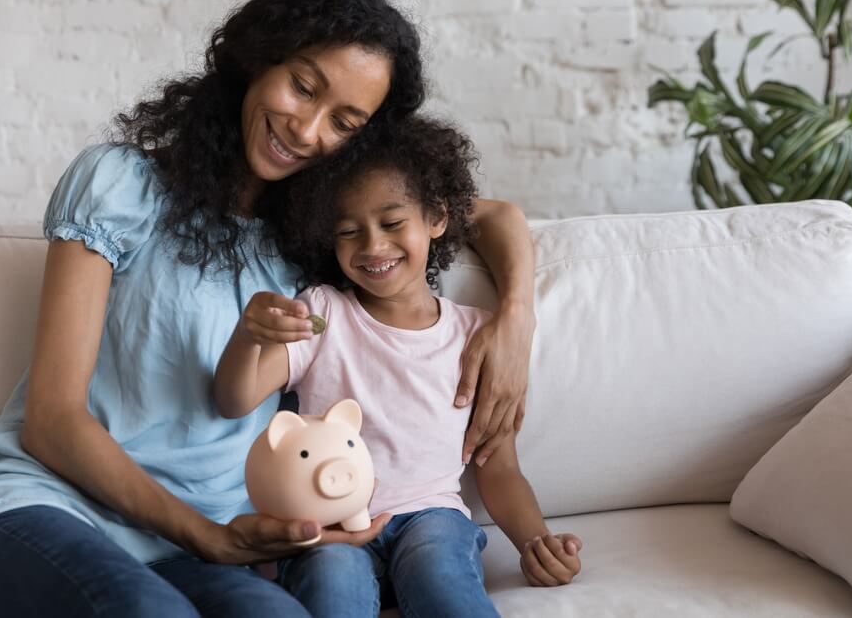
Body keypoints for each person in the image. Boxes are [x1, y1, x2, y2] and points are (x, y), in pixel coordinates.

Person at [0, 0, 539, 618]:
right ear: (257, 57)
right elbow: (51, 420)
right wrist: (205, 532)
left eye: (344, 122)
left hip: (191, 552)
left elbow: (491, 216)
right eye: (303, 86)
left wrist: (516, 315)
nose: (307, 130)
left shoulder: (320, 241)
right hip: (33, 507)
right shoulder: (118, 184)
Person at [216, 116, 582, 617]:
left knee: (443, 580)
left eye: (392, 224)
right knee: (331, 585)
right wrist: (246, 337)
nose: (372, 246)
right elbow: (234, 399)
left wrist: (534, 539)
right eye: (348, 231)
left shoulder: (476, 336)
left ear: (436, 217)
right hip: (333, 521)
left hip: (432, 516)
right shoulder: (323, 313)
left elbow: (498, 467)